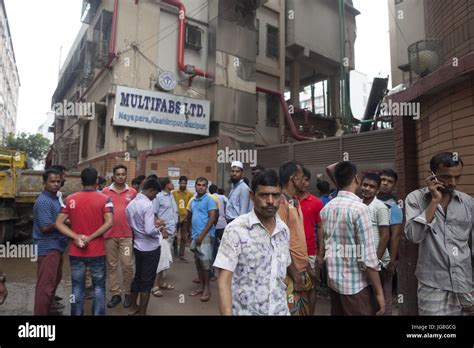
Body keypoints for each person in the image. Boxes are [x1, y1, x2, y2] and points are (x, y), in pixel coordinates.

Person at [405, 152, 474, 315]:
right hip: (433, 285)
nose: (453, 183)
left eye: (457, 177)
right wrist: (434, 201)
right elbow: (414, 236)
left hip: (465, 284)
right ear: (432, 175)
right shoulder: (415, 199)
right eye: (446, 177)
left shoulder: (468, 203)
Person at [215, 169, 291, 315]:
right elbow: (223, 281)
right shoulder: (236, 230)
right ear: (252, 195)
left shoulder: (284, 231)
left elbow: (281, 278)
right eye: (264, 195)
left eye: (275, 195)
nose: (270, 201)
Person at [319, 161, 385, 315]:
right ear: (356, 178)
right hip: (355, 286)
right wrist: (379, 292)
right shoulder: (360, 209)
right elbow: (368, 258)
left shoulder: (327, 208)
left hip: (334, 284)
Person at [56, 167, 114, 316]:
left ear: (81, 181)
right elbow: (109, 223)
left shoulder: (70, 199)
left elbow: (59, 223)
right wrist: (90, 237)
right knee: (99, 288)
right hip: (97, 251)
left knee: (77, 288)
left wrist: (76, 237)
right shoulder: (105, 199)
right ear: (96, 181)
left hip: (76, 251)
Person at [278, 161, 316, 316]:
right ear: (293, 179)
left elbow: (296, 238)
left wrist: (307, 267)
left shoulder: (293, 201)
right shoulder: (281, 202)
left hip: (301, 269)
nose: (305, 181)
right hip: (291, 273)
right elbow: (281, 243)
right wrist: (294, 275)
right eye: (302, 177)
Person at [126, 178, 165, 315]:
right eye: (155, 194)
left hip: (137, 245)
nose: (155, 197)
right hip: (150, 248)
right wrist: (158, 228)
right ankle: (142, 312)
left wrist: (142, 230)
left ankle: (132, 307)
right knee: (147, 281)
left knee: (138, 276)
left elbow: (131, 224)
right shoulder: (148, 205)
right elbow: (149, 231)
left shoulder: (131, 204)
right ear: (151, 190)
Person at [33, 169, 69, 315]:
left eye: (58, 182)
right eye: (52, 181)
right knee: (45, 287)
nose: (55, 184)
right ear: (44, 183)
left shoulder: (54, 199)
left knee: (53, 282)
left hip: (56, 246)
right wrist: (63, 223)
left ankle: (47, 310)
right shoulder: (43, 201)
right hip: (47, 247)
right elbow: (45, 228)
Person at [101, 165, 137, 309]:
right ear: (114, 176)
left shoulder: (133, 192)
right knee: (111, 265)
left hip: (127, 236)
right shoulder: (104, 192)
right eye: (118, 174)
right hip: (109, 235)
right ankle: (116, 294)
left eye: (123, 174)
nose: (121, 176)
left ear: (126, 175)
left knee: (127, 265)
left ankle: (128, 293)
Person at [360, 172, 391, 315]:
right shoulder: (357, 205)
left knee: (375, 303)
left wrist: (375, 261)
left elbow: (385, 236)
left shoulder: (380, 207)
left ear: (377, 190)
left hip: (377, 263)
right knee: (363, 301)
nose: (367, 188)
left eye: (372, 187)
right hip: (361, 262)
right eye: (365, 185)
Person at [296, 167, 323, 315]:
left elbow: (320, 228)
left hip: (311, 251)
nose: (304, 183)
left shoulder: (317, 202)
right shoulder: (288, 201)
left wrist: (320, 253)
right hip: (293, 251)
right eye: (301, 179)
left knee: (311, 287)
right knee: (295, 284)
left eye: (307, 180)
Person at [187, 177, 218, 302]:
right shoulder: (193, 201)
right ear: (195, 186)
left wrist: (202, 234)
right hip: (196, 235)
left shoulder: (209, 200)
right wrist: (191, 232)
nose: (200, 187)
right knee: (198, 262)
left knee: (205, 264)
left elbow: (212, 218)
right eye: (198, 185)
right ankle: (201, 286)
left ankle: (206, 289)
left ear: (206, 187)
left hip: (205, 235)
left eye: (203, 185)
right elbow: (190, 217)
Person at [377, 168, 403, 315]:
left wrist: (392, 261)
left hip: (385, 259)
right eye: (383, 180)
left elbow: (396, 235)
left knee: (385, 295)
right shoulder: (365, 201)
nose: (385, 184)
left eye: (390, 182)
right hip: (367, 257)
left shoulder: (394, 207)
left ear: (394, 186)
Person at [152, 177, 178, 296]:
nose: (173, 184)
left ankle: (161, 282)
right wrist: (162, 229)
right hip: (163, 232)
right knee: (160, 259)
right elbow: (153, 213)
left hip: (171, 231)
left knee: (166, 258)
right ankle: (155, 286)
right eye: (171, 182)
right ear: (167, 185)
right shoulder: (158, 197)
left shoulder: (171, 195)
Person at [172, 176, 195, 262]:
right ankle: (175, 252)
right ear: (179, 183)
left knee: (183, 238)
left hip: (185, 218)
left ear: (186, 184)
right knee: (174, 235)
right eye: (181, 183)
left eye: (184, 183)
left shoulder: (190, 194)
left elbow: (190, 208)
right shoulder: (174, 193)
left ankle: (181, 255)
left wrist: (185, 218)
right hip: (175, 217)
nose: (183, 185)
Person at [209, 185, 228, 279]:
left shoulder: (209, 197)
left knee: (213, 247)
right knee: (224, 245)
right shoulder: (222, 197)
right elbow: (228, 205)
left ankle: (212, 272)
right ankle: (223, 268)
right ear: (217, 190)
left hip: (213, 225)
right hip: (222, 224)